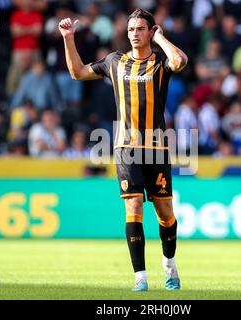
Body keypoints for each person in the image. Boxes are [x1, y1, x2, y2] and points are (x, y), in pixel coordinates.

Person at [58, 8, 188, 291]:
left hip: (155, 148)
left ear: (150, 32)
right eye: (131, 29)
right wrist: (69, 38)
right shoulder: (115, 61)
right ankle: (140, 277)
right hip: (125, 147)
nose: (134, 34)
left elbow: (180, 61)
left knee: (165, 213)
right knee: (133, 205)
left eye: (141, 29)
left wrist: (161, 39)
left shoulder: (161, 63)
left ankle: (169, 265)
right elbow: (77, 73)